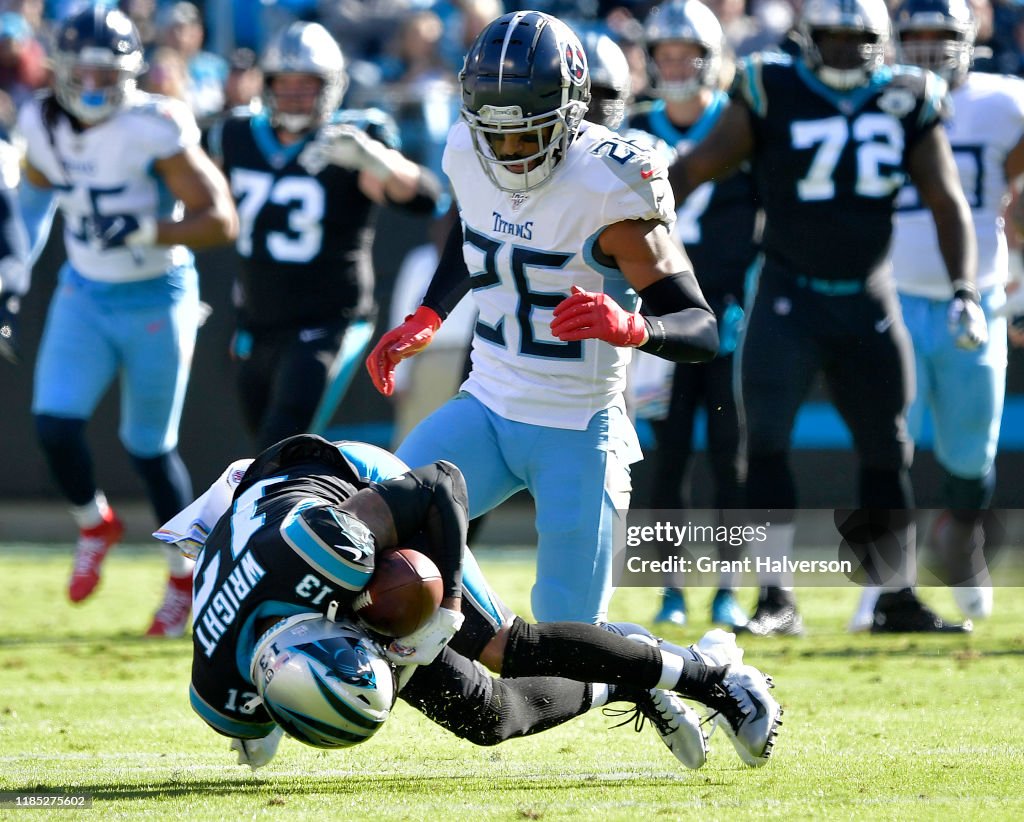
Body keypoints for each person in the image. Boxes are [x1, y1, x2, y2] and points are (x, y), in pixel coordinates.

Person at [365, 10, 720, 624]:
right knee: (363, 530)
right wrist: (430, 311)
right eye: (495, 135)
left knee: (569, 637)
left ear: (571, 113)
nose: (508, 152)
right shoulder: (465, 153)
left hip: (578, 431)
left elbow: (701, 327)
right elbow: (472, 231)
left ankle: (693, 675)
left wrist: (638, 329)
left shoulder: (608, 183)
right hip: (486, 407)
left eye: (526, 136)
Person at [154, 432, 781, 769]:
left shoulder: (325, 548)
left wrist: (448, 605)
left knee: (505, 647)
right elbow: (269, 714)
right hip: (268, 571)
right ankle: (628, 676)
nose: (377, 647)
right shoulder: (225, 699)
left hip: (334, 490)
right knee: (490, 717)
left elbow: (440, 483)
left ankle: (715, 677)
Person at [667, 0, 984, 634]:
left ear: (880, 42)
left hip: (867, 294)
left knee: (887, 451)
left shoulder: (907, 97)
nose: (844, 50)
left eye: (858, 38)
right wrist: (637, 261)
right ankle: (774, 599)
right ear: (809, 39)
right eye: (832, 37)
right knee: (768, 446)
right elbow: (693, 170)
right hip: (787, 294)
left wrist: (965, 289)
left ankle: (894, 595)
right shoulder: (771, 86)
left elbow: (948, 201)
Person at [16, 6, 238, 636]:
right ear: (59, 69)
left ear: (129, 74)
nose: (90, 86)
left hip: (155, 294)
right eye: (79, 71)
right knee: (54, 426)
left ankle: (184, 578)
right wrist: (13, 273)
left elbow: (221, 220)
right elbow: (34, 198)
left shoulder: (153, 122)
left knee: (149, 447)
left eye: (104, 73)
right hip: (82, 292)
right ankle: (95, 524)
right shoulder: (41, 118)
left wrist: (144, 227)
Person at [848, 0, 1024, 630]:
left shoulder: (1005, 101)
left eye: (939, 35)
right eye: (914, 34)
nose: (925, 48)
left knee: (970, 456)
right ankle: (884, 585)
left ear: (967, 38)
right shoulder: (874, 98)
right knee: (885, 449)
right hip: (888, 296)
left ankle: (965, 546)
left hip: (971, 299)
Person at [206, 21, 441, 452]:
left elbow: (425, 198)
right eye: (285, 83)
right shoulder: (237, 134)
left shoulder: (350, 141)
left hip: (327, 320)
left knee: (278, 444)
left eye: (307, 84)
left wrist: (379, 160)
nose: (294, 94)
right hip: (256, 322)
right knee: (266, 445)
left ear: (330, 87)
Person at [630, 0, 760, 629]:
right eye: (667, 55)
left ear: (711, 61)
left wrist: (748, 299)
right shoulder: (631, 127)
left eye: (688, 55)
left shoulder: (736, 124)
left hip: (727, 314)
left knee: (730, 452)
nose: (677, 66)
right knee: (669, 454)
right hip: (658, 320)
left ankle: (731, 584)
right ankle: (671, 588)